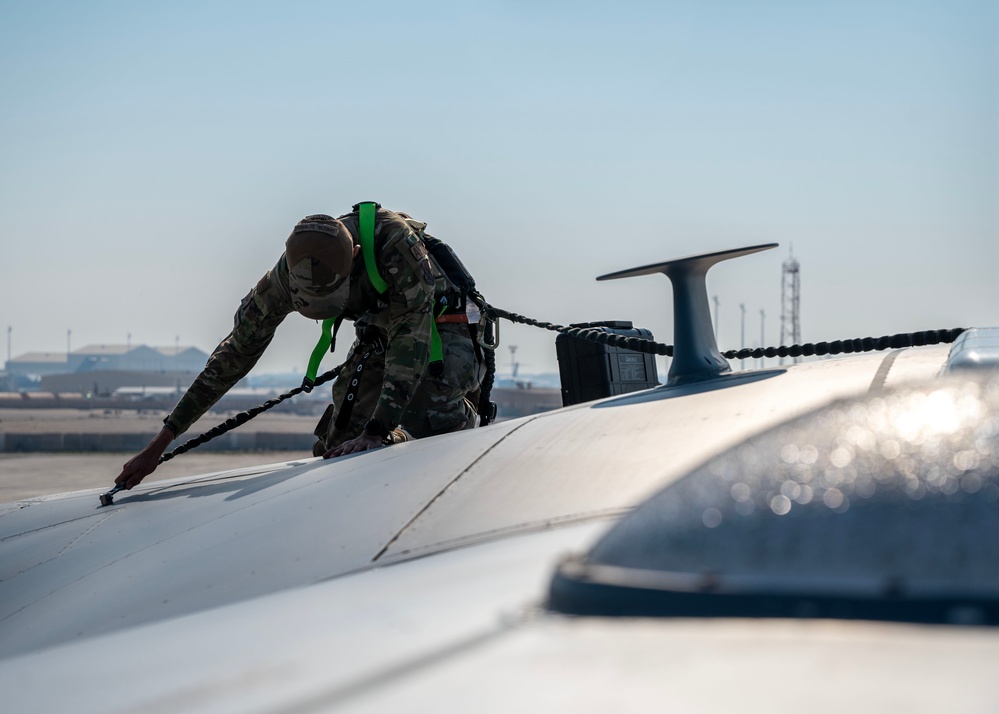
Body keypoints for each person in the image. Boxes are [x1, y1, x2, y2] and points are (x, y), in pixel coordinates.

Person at [116, 203, 486, 490]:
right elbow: (233, 355)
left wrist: (379, 429)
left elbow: (411, 342)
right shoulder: (285, 274)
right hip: (378, 334)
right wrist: (161, 442)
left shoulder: (397, 246)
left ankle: (463, 416)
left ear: (355, 256)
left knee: (426, 413)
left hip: (442, 327)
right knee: (339, 446)